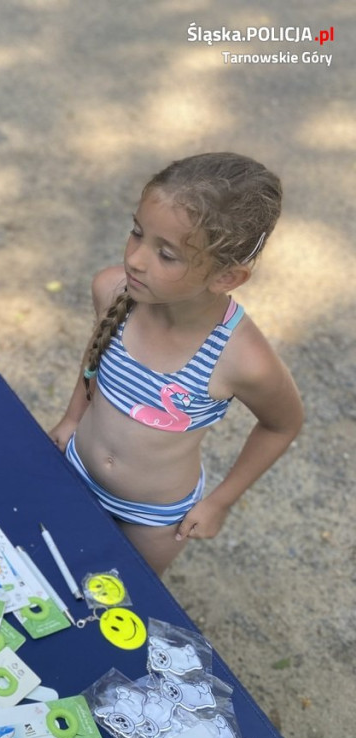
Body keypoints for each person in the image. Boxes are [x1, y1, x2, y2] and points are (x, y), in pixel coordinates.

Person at [49, 153, 303, 575]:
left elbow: (282, 424)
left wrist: (220, 501)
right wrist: (71, 417)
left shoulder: (243, 359)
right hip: (75, 468)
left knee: (123, 602)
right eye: (136, 233)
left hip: (151, 519)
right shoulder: (112, 290)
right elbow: (95, 356)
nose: (135, 259)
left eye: (166, 254)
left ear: (226, 277)